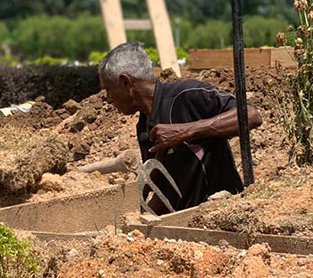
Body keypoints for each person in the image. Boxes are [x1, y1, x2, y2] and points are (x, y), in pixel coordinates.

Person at [91, 42, 262, 214]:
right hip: (183, 227)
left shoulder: (187, 95)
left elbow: (251, 116)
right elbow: (164, 190)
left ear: (126, 82)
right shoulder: (144, 127)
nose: (108, 99)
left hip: (221, 215)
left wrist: (185, 131)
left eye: (109, 90)